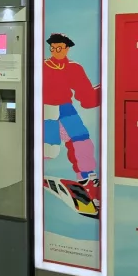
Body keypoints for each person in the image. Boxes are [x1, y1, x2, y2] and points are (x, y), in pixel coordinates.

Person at [43, 33, 100, 209]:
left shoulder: (73, 68)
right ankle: (31, 172)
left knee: (82, 140)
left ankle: (87, 178)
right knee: (49, 149)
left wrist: (101, 92)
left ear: (67, 48)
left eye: (59, 48)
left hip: (66, 108)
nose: (55, 51)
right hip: (45, 109)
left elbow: (85, 94)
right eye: (53, 48)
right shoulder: (42, 65)